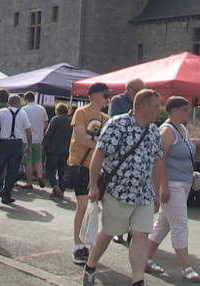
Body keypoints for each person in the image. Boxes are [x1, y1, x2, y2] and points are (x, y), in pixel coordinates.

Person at [82, 88, 164, 286]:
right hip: (118, 192)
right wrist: (93, 185)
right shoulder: (117, 124)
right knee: (109, 232)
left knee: (141, 235)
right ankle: (91, 265)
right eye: (156, 106)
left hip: (143, 194)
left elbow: (156, 162)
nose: (159, 111)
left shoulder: (153, 130)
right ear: (143, 106)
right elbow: (99, 154)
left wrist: (155, 193)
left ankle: (138, 280)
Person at [146, 96, 200, 282]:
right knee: (179, 224)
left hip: (183, 183)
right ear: (174, 110)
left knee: (163, 225)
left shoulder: (182, 129)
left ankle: (144, 258)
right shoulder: (167, 131)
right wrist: (163, 186)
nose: (187, 111)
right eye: (185, 109)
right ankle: (186, 266)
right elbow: (159, 158)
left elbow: (190, 146)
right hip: (173, 184)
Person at [68, 83, 110, 265]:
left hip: (96, 167)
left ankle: (87, 242)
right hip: (80, 164)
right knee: (83, 206)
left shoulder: (105, 118)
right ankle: (78, 244)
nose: (107, 99)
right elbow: (80, 137)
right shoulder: (81, 113)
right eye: (104, 95)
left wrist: (95, 141)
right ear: (93, 95)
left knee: (92, 209)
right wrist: (98, 143)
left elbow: (105, 142)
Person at [108, 77, 145, 243]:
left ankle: (132, 230)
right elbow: (117, 122)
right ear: (128, 90)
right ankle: (118, 231)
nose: (140, 96)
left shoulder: (141, 102)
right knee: (119, 198)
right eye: (138, 92)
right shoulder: (117, 101)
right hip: (121, 155)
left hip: (138, 155)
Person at [0, 94, 32, 204]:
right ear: (19, 103)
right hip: (17, 143)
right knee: (12, 170)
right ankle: (7, 195)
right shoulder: (23, 114)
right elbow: (28, 130)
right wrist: (29, 145)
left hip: (4, 143)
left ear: (9, 102)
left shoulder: (2, 112)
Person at [42, 102, 72, 200]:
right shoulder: (70, 121)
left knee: (49, 169)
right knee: (62, 171)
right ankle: (61, 190)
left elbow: (49, 133)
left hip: (53, 148)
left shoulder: (56, 119)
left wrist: (44, 144)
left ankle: (55, 187)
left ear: (57, 111)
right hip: (65, 149)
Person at [20, 91, 49, 190]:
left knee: (28, 161)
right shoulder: (42, 109)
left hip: (26, 138)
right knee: (38, 159)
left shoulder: (24, 109)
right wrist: (41, 129)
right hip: (39, 137)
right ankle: (40, 175)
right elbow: (45, 123)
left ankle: (29, 182)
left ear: (26, 99)